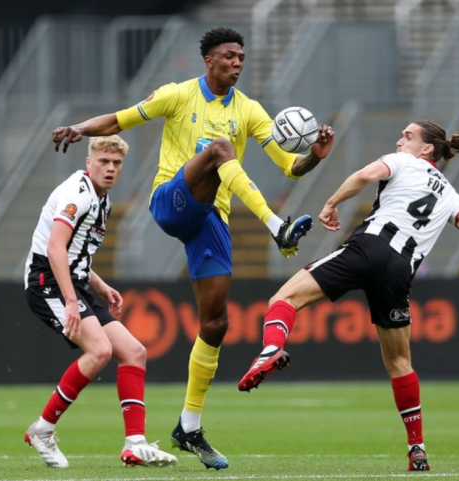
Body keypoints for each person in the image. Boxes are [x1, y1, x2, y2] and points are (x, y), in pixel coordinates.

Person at [51, 27, 335, 470]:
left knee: (216, 323)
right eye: (228, 56)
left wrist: (315, 154)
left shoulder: (250, 110)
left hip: (210, 220)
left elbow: (291, 166)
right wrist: (78, 127)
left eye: (241, 56)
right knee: (221, 150)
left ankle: (189, 425)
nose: (237, 62)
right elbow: (119, 120)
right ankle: (277, 227)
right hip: (172, 199)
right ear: (209, 60)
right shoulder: (178, 94)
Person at [238, 120, 459, 471]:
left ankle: (270, 349)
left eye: (408, 136)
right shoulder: (450, 194)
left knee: (283, 301)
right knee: (399, 363)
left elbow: (363, 176)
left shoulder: (403, 161)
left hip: (370, 246)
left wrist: (331, 203)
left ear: (426, 150)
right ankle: (417, 448)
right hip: (400, 271)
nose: (399, 140)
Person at [23, 136, 177, 469]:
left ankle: (135, 444)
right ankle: (42, 430)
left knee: (135, 351)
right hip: (46, 282)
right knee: (100, 351)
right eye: (103, 161)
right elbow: (55, 249)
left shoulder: (101, 199)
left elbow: (77, 253)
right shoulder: (76, 195)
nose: (109, 168)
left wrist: (100, 285)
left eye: (116, 163)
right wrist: (68, 300)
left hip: (75, 283)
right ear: (89, 162)